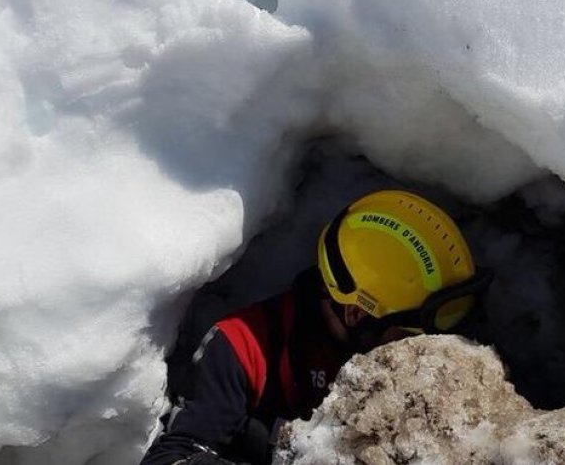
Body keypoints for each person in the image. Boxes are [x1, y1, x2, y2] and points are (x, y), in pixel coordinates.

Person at [140, 190, 493, 465]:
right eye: (406, 336)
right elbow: (173, 456)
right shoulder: (244, 346)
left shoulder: (387, 335)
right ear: (357, 315)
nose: (423, 350)